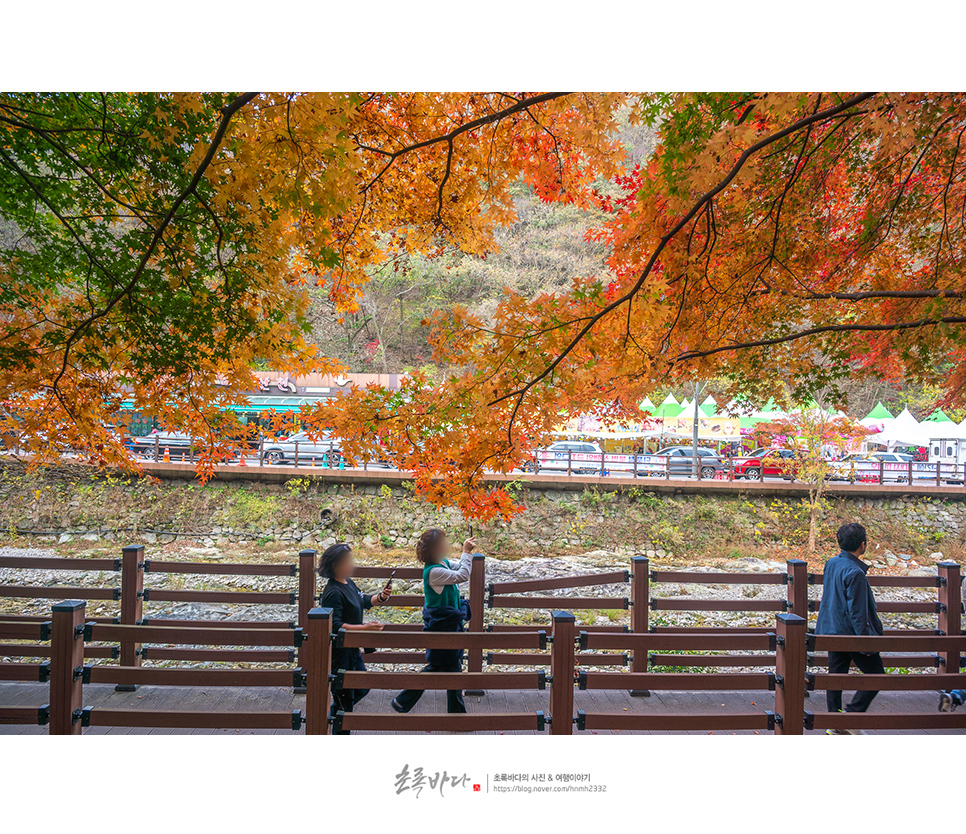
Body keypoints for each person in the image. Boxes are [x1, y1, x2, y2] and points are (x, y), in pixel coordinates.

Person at [391, 529, 475, 715]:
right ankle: (404, 701)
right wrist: (467, 552)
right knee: (446, 666)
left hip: (448, 624)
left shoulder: (442, 563)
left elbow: (460, 567)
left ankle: (404, 702)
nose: (447, 545)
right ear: (436, 548)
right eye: (444, 542)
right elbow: (463, 575)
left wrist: (465, 555)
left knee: (448, 666)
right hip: (442, 626)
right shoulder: (434, 571)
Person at [815, 523, 885, 734]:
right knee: (876, 674)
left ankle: (835, 723)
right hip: (850, 632)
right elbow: (858, 612)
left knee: (836, 675)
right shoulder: (856, 573)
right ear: (862, 545)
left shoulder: (832, 563)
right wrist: (866, 642)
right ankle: (851, 716)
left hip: (831, 628)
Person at [318, 542, 392, 734]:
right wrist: (364, 628)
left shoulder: (348, 582)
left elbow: (363, 600)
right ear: (335, 565)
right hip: (340, 654)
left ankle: (332, 718)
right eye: (347, 560)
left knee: (361, 688)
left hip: (353, 650)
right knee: (345, 704)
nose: (351, 563)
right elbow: (334, 624)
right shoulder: (333, 592)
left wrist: (380, 597)